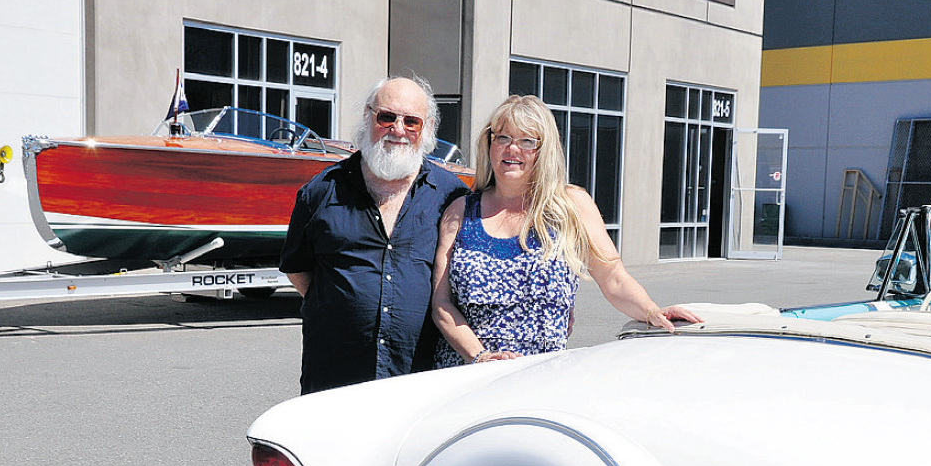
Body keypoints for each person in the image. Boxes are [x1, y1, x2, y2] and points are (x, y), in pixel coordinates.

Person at [431, 95, 701, 367]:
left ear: (544, 149)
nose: (512, 149)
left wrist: (652, 311)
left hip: (544, 374)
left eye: (527, 141)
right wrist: (481, 356)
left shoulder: (571, 206)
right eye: (502, 138)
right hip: (468, 375)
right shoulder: (460, 212)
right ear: (489, 143)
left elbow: (614, 279)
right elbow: (442, 304)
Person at [280, 76, 468, 394]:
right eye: (387, 117)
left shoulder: (452, 196)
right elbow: (299, 270)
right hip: (334, 380)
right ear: (369, 116)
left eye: (412, 121)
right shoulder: (322, 191)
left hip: (418, 383)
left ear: (428, 127)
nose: (398, 130)